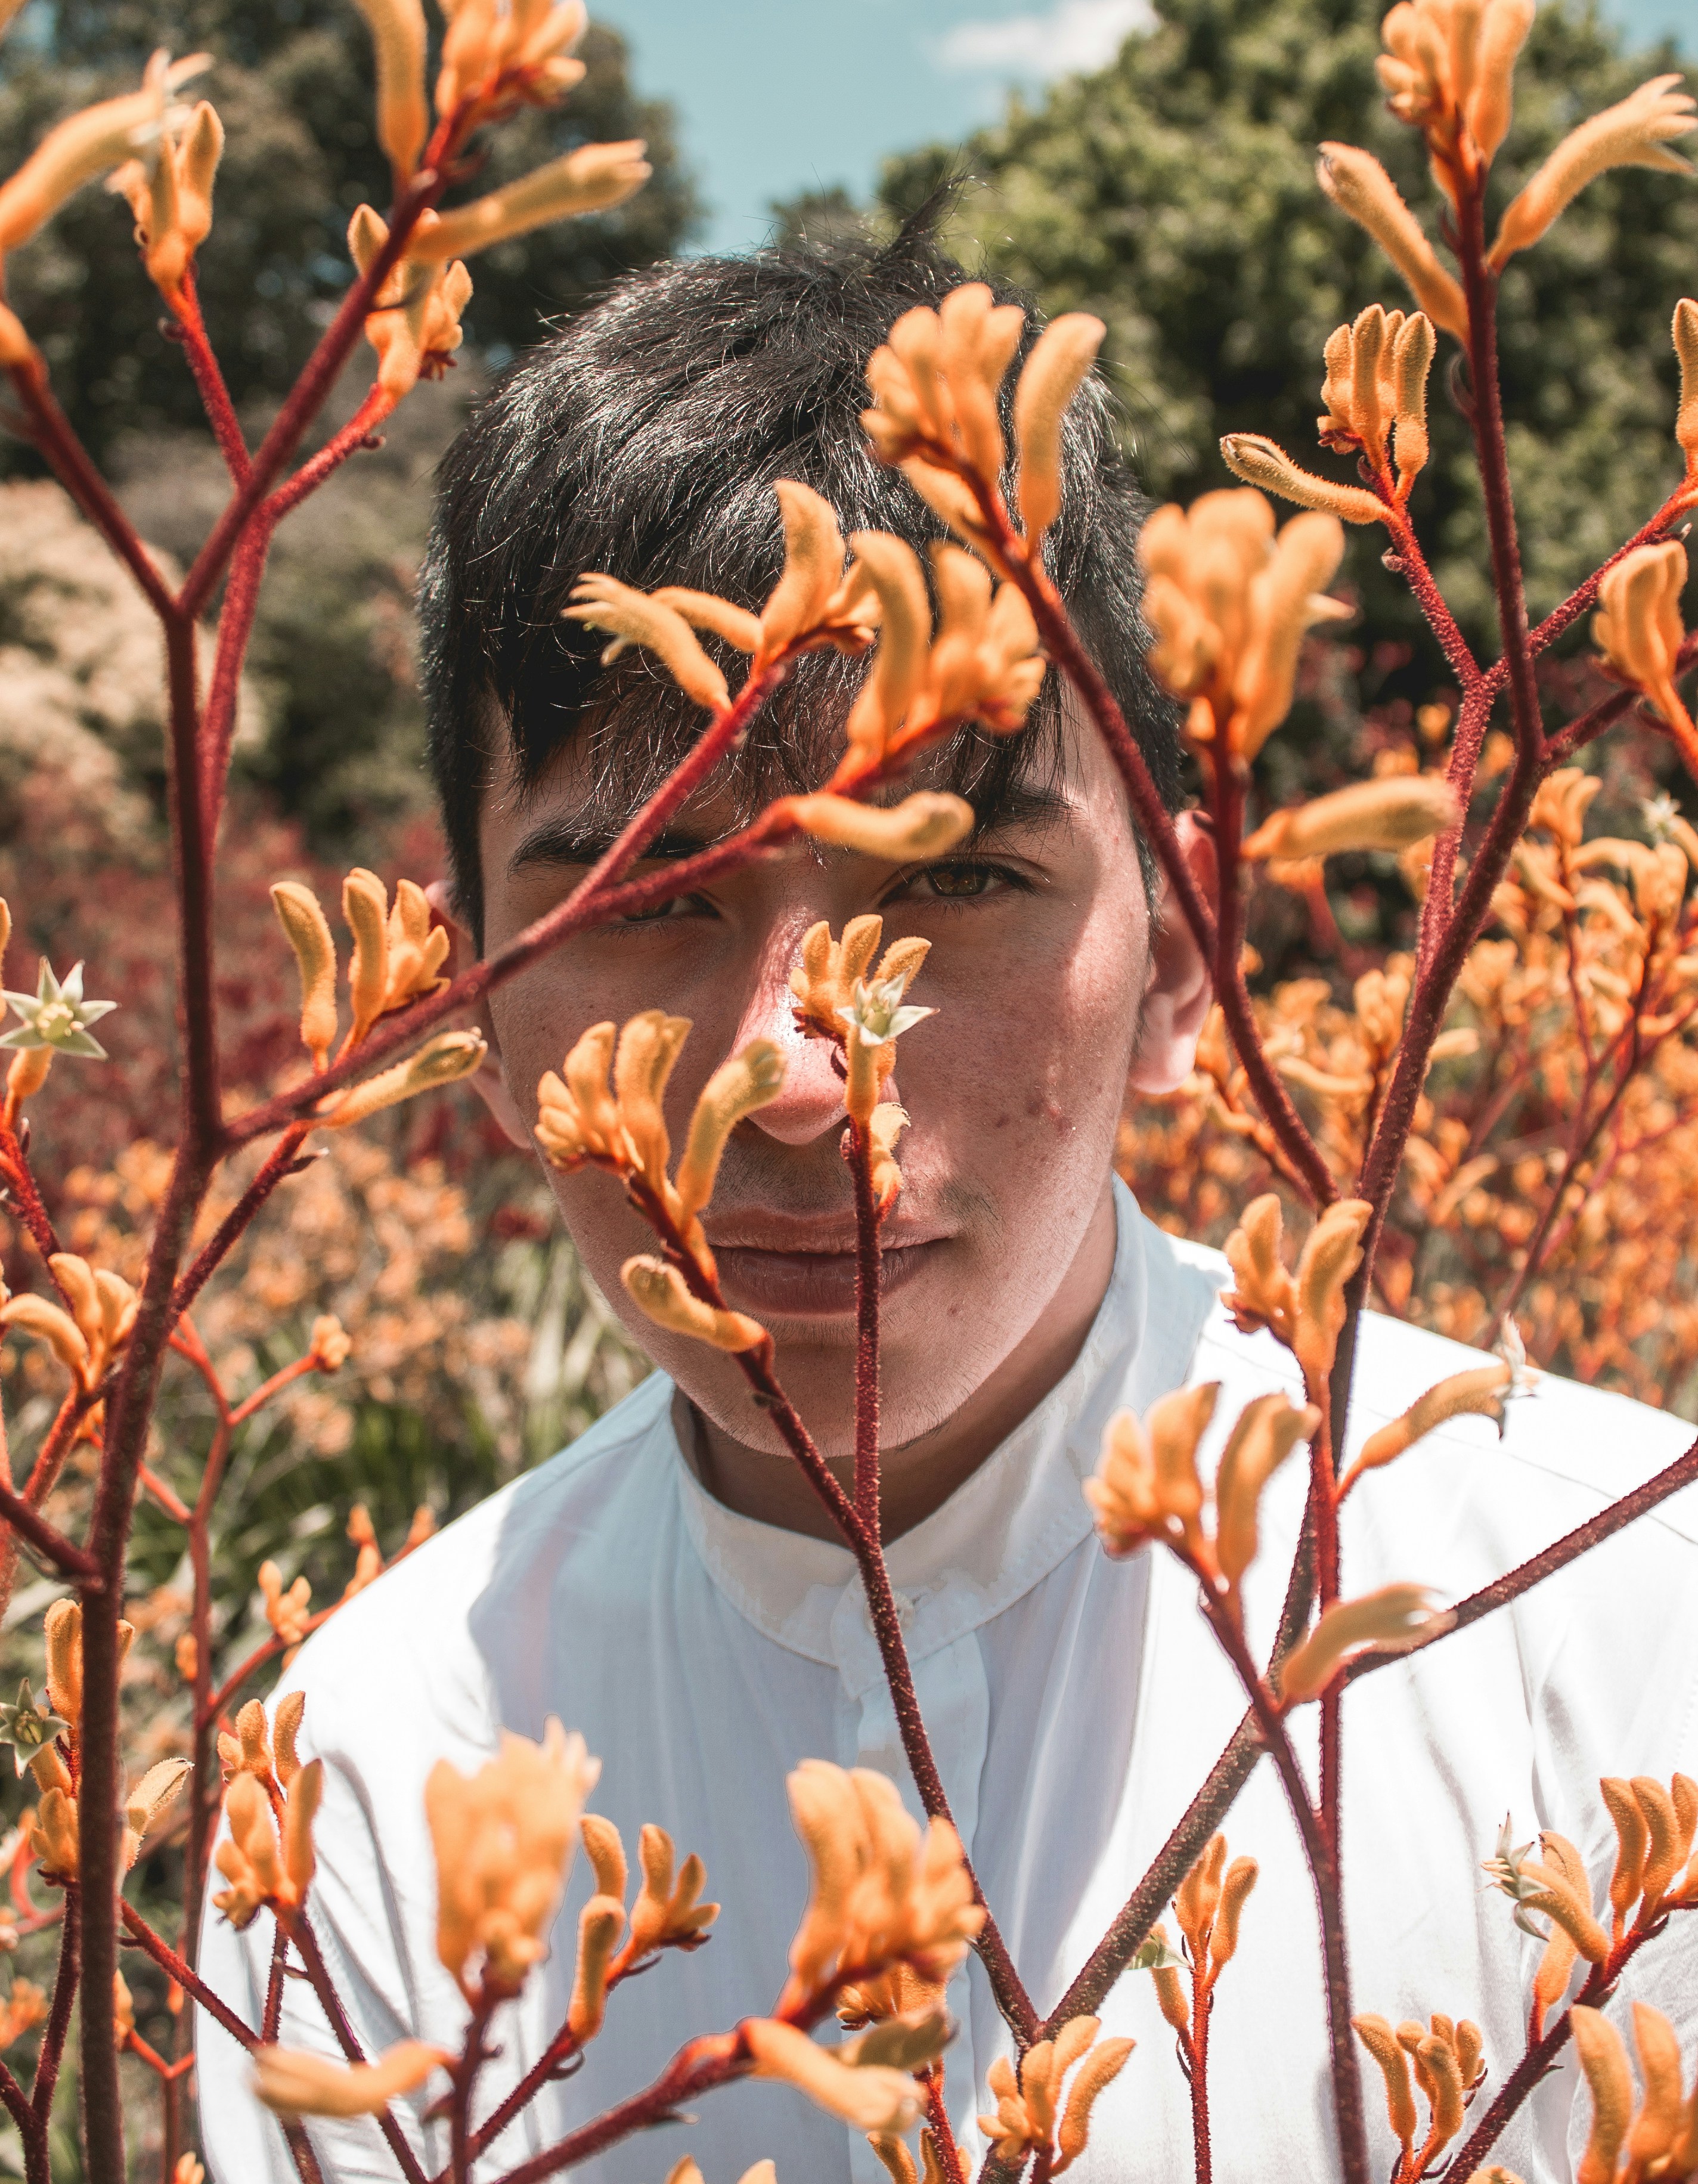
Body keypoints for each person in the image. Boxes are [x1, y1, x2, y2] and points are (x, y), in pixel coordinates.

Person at [197, 228, 1698, 2184]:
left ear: (1185, 962)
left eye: (957, 881)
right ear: (469, 998)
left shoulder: (1624, 1620)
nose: (806, 1079)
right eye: (645, 901)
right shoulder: (361, 1784)